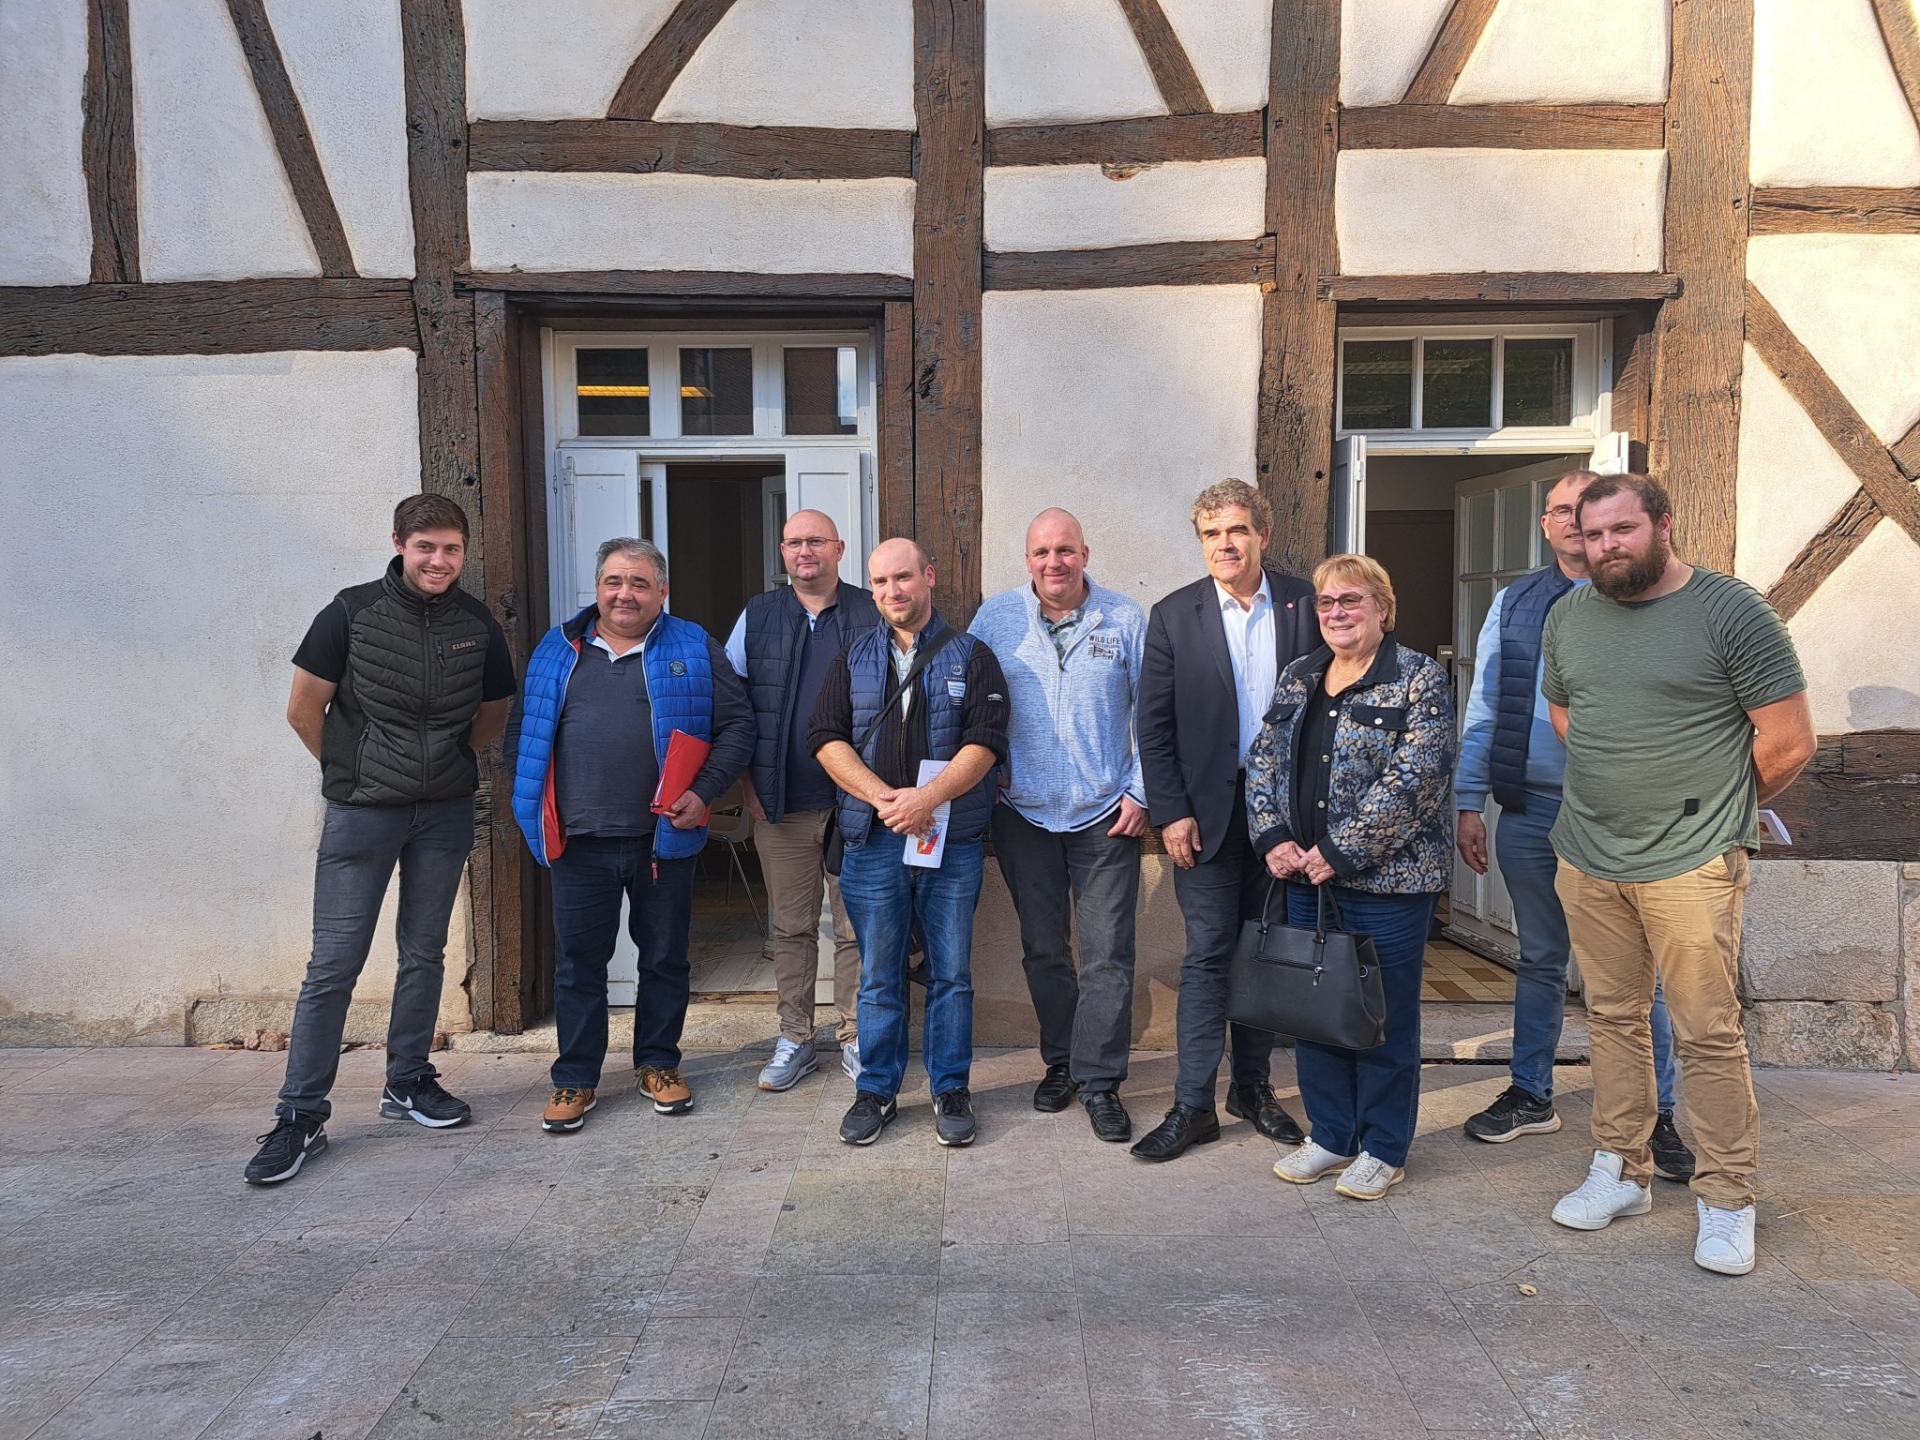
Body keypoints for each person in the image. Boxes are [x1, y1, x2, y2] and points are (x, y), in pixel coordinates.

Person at [1543, 474, 1814, 1274]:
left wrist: (1713, 813)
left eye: (1622, 530)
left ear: (1664, 524)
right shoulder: (1569, 617)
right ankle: (1621, 1169)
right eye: (1592, 536)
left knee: (1706, 1030)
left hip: (1692, 863)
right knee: (1615, 1019)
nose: (1606, 548)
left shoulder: (1732, 611)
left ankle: (1727, 1198)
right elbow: (1569, 717)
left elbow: (1790, 740)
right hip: (1590, 855)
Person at [244, 494, 514, 1185]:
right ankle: (299, 1116)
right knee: (333, 964)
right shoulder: (350, 611)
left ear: (463, 551)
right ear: (399, 544)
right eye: (426, 547)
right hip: (362, 814)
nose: (439, 560)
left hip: (444, 812)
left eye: (452, 548)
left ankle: (408, 1082)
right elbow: (304, 709)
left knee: (423, 954)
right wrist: (354, 772)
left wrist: (448, 763)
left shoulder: (476, 623)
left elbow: (492, 713)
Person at [1455, 470, 1695, 1182]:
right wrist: (1470, 799)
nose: (1574, 525)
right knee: (1538, 957)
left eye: (1589, 515)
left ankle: (1662, 1114)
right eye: (1562, 512)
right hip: (1529, 808)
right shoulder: (1515, 602)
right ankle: (1532, 1092)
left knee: (1637, 974)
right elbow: (1486, 701)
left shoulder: (1655, 596)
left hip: (1624, 816)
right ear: (1548, 524)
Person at [507, 538, 753, 1132]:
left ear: (663, 592)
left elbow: (738, 724)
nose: (626, 594)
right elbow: (525, 730)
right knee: (577, 964)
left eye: (641, 584)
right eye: (615, 581)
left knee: (665, 959)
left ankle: (658, 1065)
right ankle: (575, 1079)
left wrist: (706, 791)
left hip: (661, 841)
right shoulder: (556, 648)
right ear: (597, 588)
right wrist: (534, 806)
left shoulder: (693, 644)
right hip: (578, 840)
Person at [1249, 555, 1457, 1200]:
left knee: (1382, 1018)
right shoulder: (1299, 676)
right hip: (1307, 880)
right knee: (1318, 1014)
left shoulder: (1418, 678)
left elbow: (1416, 780)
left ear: (1383, 609)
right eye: (1325, 603)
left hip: (1388, 885)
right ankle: (1333, 1135)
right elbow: (1264, 762)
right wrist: (1272, 837)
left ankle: (1384, 1147)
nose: (1337, 613)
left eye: (1351, 600)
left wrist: (1339, 850)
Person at [1132, 479, 1320, 1161]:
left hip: (1287, 818)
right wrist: (1171, 813)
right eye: (1212, 534)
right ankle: (1192, 1106)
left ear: (1263, 535)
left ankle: (1253, 1088)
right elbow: (1152, 728)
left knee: (1265, 952)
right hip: (1206, 818)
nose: (1226, 544)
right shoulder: (1175, 614)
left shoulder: (1305, 603)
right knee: (1208, 956)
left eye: (1237, 530)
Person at [811, 539, 1010, 1148]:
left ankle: (951, 1087)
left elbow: (986, 740)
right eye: (878, 582)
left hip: (951, 842)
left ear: (928, 577)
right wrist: (887, 800)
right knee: (878, 974)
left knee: (951, 973)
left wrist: (928, 800)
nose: (891, 591)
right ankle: (876, 1090)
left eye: (902, 578)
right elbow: (826, 738)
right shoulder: (852, 656)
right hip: (873, 840)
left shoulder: (973, 656)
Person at [971, 508, 1150, 1142]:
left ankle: (1101, 1082)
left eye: (1066, 550)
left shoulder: (1125, 619)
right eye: (1043, 551)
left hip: (1106, 815)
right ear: (1027, 560)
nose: (1056, 562)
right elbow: (968, 704)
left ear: (1085, 554)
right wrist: (981, 773)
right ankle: (1063, 1062)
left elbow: (1155, 715)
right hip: (1022, 812)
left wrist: (1141, 792)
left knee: (1107, 955)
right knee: (1044, 951)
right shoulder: (994, 619)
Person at [724, 510, 878, 1092]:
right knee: (790, 928)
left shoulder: (870, 610)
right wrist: (746, 785)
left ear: (839, 548)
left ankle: (858, 1035)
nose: (804, 551)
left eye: (815, 541)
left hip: (856, 807)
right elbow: (732, 705)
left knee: (856, 927)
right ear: (782, 551)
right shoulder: (758, 615)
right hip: (780, 805)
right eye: (793, 542)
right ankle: (795, 1037)